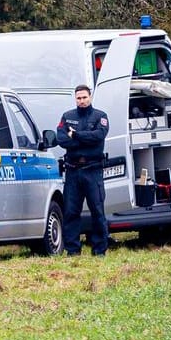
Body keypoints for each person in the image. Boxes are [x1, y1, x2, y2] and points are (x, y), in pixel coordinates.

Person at [56, 84, 110, 256]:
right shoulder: (67, 116)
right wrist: (84, 139)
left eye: (84, 97)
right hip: (73, 170)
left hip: (93, 170)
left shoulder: (100, 116)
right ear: (75, 99)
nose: (81, 101)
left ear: (90, 97)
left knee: (97, 210)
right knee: (71, 211)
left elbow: (99, 137)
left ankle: (99, 250)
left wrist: (77, 135)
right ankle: (72, 250)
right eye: (78, 98)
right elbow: (62, 139)